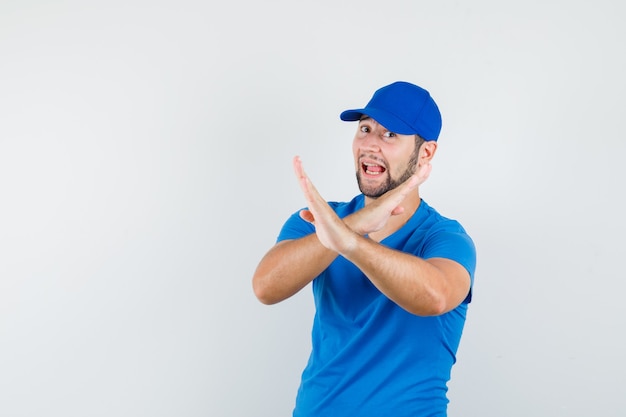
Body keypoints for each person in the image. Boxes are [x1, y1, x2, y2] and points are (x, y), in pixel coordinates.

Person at [252, 81, 476, 417]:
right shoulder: (317, 219)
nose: (370, 143)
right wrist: (353, 226)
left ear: (425, 153)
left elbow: (436, 296)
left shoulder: (445, 237)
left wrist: (348, 242)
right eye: (365, 129)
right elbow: (266, 287)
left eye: (390, 135)